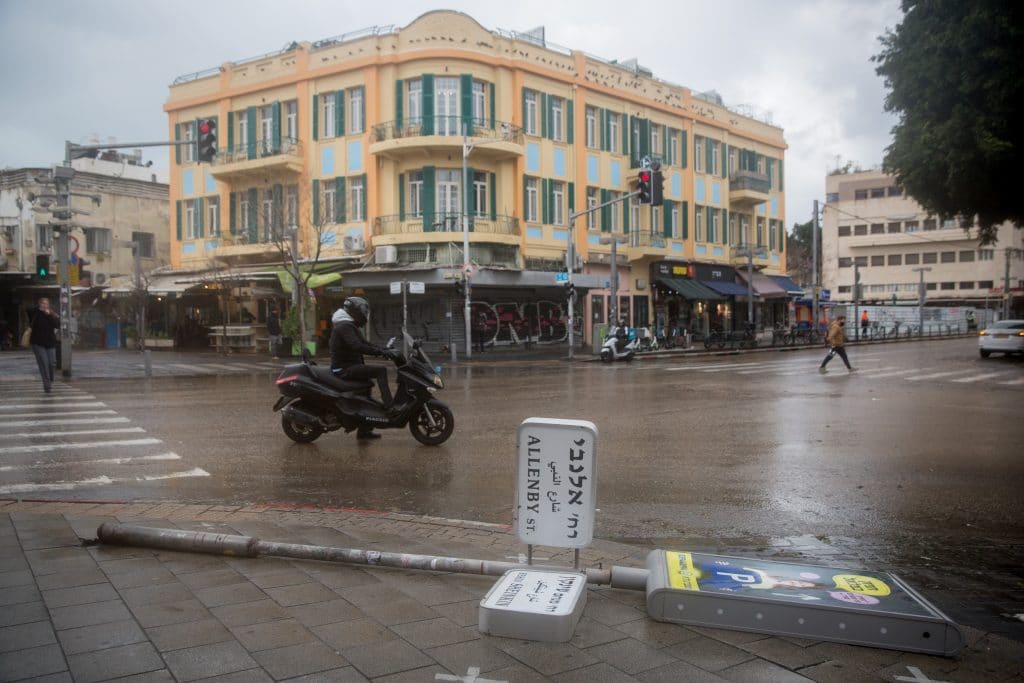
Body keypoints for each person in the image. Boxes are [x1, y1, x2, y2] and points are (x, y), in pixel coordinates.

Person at [329, 297, 398, 440]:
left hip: (352, 366)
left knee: (366, 391)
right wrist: (381, 352)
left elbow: (365, 343)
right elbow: (357, 346)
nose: (365, 314)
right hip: (344, 368)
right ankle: (390, 407)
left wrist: (383, 350)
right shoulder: (344, 326)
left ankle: (364, 431)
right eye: (363, 311)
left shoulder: (349, 325)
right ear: (355, 311)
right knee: (381, 371)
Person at [28, 297, 59, 393]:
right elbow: (28, 311)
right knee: (44, 363)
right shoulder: (35, 313)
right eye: (43, 303)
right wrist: (39, 310)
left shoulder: (52, 314)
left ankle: (50, 379)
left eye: (46, 303)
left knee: (52, 363)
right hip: (37, 343)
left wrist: (49, 314)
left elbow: (57, 325)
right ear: (39, 304)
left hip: (50, 342)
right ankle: (47, 384)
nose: (45, 305)